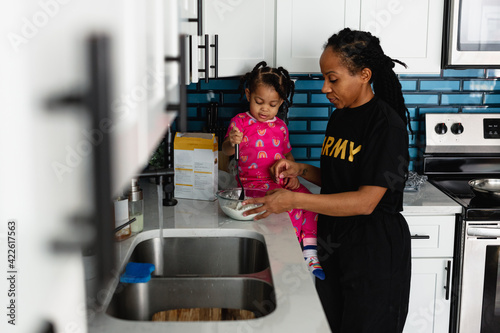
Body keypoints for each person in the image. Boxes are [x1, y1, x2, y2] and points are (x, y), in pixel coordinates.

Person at [242, 28, 412, 333]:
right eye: (324, 78)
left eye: (332, 79)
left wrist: (293, 200)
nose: (324, 88)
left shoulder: (386, 125)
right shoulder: (340, 117)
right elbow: (339, 178)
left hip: (373, 252)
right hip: (335, 242)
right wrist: (299, 169)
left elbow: (365, 201)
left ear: (364, 75)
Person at [222, 61, 325, 280]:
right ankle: (282, 259)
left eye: (273, 104)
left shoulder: (280, 127)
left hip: (279, 182)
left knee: (309, 203)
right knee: (286, 213)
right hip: (253, 185)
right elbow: (226, 151)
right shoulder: (240, 122)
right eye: (259, 102)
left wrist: (294, 176)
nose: (265, 109)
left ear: (280, 104)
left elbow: (288, 156)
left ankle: (309, 250)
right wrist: (232, 141)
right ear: (248, 94)